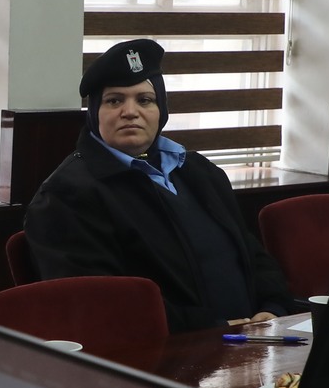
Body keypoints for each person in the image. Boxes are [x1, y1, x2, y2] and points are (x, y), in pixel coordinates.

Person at [24, 39, 302, 331]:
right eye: (114, 101)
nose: (130, 111)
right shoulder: (66, 195)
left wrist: (273, 307)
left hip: (253, 337)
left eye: (145, 100)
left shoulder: (198, 171)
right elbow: (100, 305)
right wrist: (211, 327)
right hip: (170, 349)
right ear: (94, 112)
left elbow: (251, 255)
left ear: (162, 110)